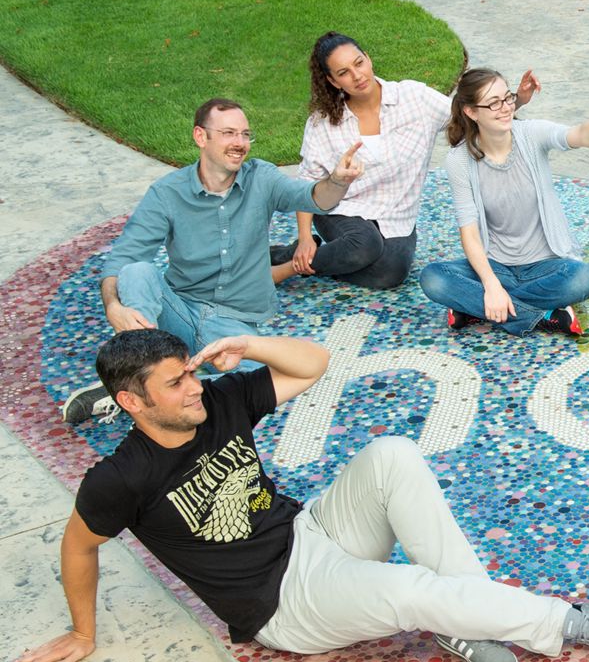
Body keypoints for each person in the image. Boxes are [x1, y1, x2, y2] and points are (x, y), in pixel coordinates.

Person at [13, 329, 589, 662]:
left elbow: (314, 365)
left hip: (310, 532)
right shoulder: (120, 478)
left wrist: (249, 344)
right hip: (283, 603)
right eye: (175, 383)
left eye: (190, 373)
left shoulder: (218, 403)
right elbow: (78, 547)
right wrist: (83, 632)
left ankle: (468, 621)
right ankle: (568, 622)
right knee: (411, 588)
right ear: (132, 402)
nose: (194, 388)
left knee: (393, 454)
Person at [61, 98, 364, 424]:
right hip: (178, 313)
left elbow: (314, 198)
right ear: (200, 136)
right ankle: (138, 375)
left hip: (233, 326)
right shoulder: (167, 193)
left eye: (245, 134)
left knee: (264, 381)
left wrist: (337, 181)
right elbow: (123, 258)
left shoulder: (261, 178)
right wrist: (113, 307)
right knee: (136, 272)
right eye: (229, 133)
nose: (240, 143)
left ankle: (148, 391)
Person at [272, 32, 541, 289]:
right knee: (364, 244)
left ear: (368, 59)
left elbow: (469, 116)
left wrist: (517, 100)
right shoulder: (322, 122)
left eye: (359, 63)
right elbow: (306, 182)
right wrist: (305, 238)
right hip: (341, 209)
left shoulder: (414, 98)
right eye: (343, 72)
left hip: (396, 215)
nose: (357, 75)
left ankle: (298, 255)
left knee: (391, 273)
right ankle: (288, 267)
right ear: (333, 81)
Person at [417, 68, 589, 338]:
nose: (506, 108)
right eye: (494, 103)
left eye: (507, 98)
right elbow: (469, 233)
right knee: (433, 278)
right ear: (471, 112)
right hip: (495, 266)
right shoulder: (459, 160)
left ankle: (476, 306)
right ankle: (543, 316)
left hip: (546, 266)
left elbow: (580, 135)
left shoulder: (531, 134)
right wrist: (491, 284)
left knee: (582, 279)